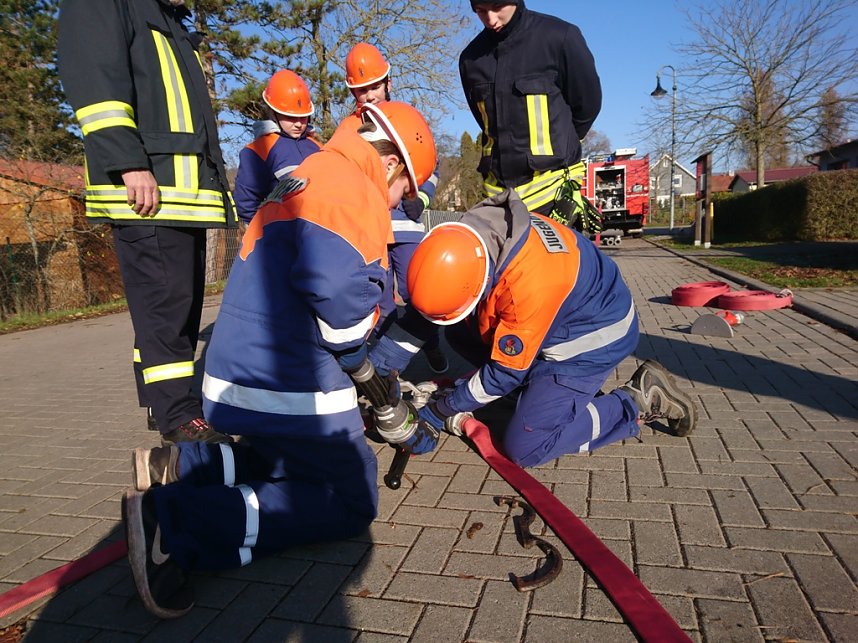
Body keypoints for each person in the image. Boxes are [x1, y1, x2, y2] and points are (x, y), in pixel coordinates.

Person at [122, 101, 437, 618]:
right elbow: (339, 298)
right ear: (391, 164)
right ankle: (174, 525)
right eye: (404, 191)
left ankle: (184, 463)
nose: (399, 203)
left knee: (282, 459)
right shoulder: (354, 189)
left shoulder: (308, 171)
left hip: (236, 375)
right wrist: (374, 385)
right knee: (348, 496)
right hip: (284, 382)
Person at [370, 189, 697, 467]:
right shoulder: (466, 239)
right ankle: (535, 394)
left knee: (524, 447)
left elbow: (503, 374)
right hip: (558, 315)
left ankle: (635, 401)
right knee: (457, 331)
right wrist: (375, 376)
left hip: (592, 339)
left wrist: (440, 411)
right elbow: (422, 316)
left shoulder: (526, 287)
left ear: (481, 282)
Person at [57, 0, 235, 445]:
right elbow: (93, 78)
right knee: (165, 308)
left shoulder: (167, 17)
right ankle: (180, 417)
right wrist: (127, 162)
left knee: (175, 308)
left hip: (182, 194)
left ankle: (162, 402)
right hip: (149, 187)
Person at [337, 42, 448, 374]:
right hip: (370, 231)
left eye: (373, 86)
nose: (369, 95)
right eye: (360, 90)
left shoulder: (406, 118)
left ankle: (432, 345)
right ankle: (387, 367)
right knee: (380, 303)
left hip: (407, 225)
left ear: (388, 82)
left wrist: (421, 198)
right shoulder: (347, 129)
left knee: (421, 294)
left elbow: (433, 166)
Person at [459, 1, 602, 230]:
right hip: (498, 203)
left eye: (497, 8)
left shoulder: (561, 37)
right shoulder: (470, 60)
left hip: (554, 199)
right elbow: (484, 121)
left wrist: (562, 146)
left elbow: (587, 106)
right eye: (481, 11)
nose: (491, 19)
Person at [233, 69, 321, 224]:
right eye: (291, 117)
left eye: (303, 117)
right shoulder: (257, 151)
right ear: (274, 114)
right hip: (280, 238)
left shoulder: (318, 147)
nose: (299, 123)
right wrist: (269, 234)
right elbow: (246, 203)